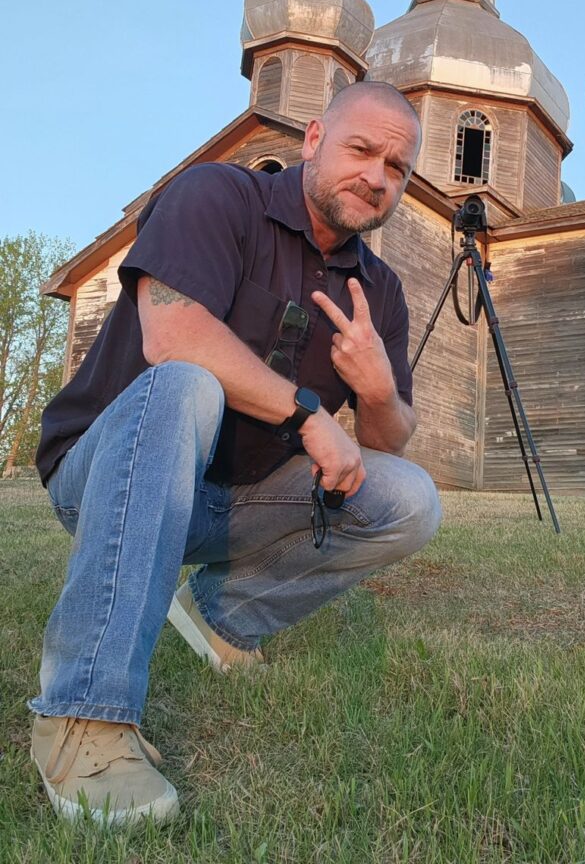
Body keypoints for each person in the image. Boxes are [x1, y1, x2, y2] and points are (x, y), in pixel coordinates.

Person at [30, 80, 442, 825]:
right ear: (314, 139)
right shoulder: (217, 196)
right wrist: (311, 414)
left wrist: (377, 392)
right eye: (361, 149)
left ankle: (223, 616)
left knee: (409, 498)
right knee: (183, 385)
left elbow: (386, 444)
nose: (377, 177)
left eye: (397, 167)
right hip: (112, 475)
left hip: (236, 498)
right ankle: (81, 715)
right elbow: (172, 335)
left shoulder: (377, 290)